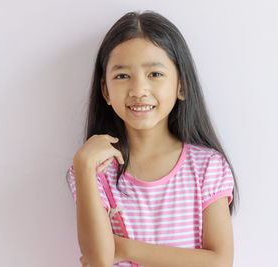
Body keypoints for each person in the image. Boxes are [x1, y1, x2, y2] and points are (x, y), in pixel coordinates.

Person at [66, 10, 239, 267]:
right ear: (106, 91)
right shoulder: (93, 170)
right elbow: (98, 260)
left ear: (181, 85)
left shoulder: (207, 167)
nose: (138, 90)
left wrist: (125, 248)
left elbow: (219, 262)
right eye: (122, 76)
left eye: (155, 74)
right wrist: (82, 163)